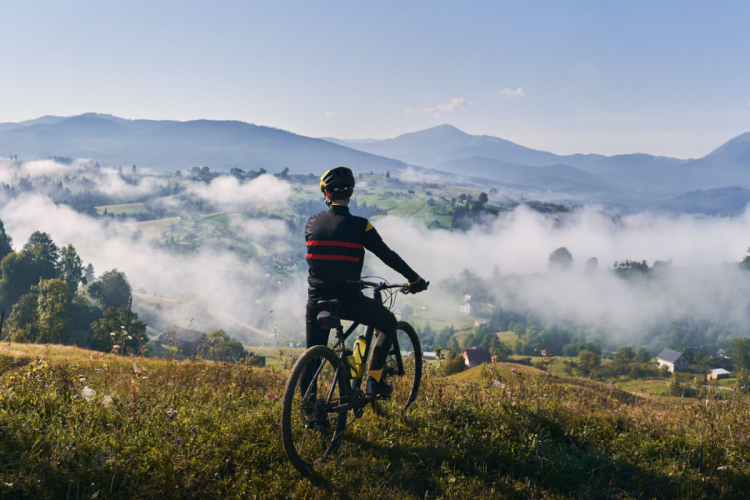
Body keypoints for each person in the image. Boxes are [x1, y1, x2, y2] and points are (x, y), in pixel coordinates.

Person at [305, 166, 428, 396]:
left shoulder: (312, 223)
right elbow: (388, 255)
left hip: (317, 301)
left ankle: (308, 411)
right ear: (350, 193)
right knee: (389, 322)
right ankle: (374, 382)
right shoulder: (362, 226)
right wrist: (415, 279)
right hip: (348, 300)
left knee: (311, 358)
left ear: (327, 194)